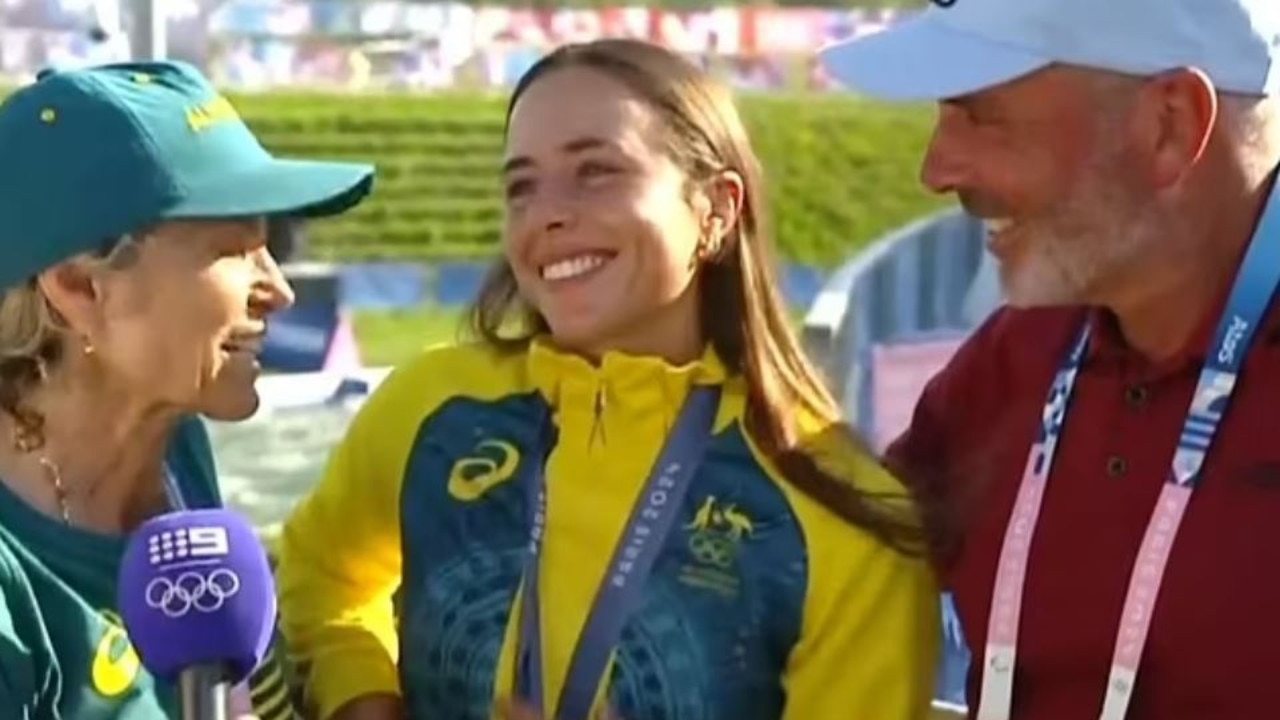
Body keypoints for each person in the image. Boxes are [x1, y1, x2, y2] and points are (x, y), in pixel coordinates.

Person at [276, 38, 940, 720]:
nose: (548, 213)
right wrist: (363, 699)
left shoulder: (839, 513)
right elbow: (319, 578)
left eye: (596, 170)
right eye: (521, 185)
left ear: (715, 208)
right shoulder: (432, 407)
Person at [819, 0, 1280, 718]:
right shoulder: (1020, 357)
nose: (935, 170)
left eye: (978, 113)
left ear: (1171, 126)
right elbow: (814, 558)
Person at [0, 60, 374, 717]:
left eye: (269, 247)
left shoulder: (174, 448)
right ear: (81, 289)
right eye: (235, 249)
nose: (279, 291)